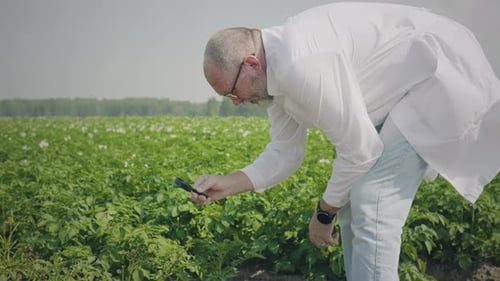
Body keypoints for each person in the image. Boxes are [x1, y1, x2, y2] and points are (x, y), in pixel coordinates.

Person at [192, 2, 500, 280]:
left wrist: (324, 214)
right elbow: (285, 152)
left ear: (251, 63)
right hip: (407, 87)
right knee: (353, 202)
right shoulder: (275, 78)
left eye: (232, 91)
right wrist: (229, 183)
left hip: (437, 74)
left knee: (373, 198)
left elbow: (360, 151)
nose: (235, 101)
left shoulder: (301, 63)